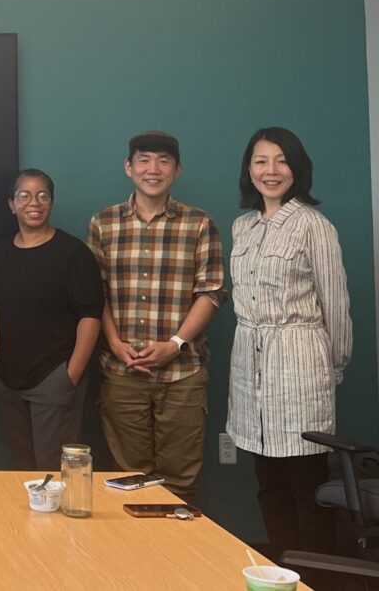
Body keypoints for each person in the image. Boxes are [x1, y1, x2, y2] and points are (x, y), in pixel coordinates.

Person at [226, 127, 350, 565]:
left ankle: (313, 573)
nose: (271, 170)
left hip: (299, 363)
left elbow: (335, 305)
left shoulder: (314, 225)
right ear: (249, 169)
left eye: (281, 160)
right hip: (250, 367)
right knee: (268, 480)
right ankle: (280, 567)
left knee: (306, 484)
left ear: (297, 168)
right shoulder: (243, 227)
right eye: (261, 161)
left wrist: (328, 368)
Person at [86, 131, 226, 503]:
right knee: (128, 478)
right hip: (122, 371)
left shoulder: (199, 224)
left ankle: (178, 559)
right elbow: (94, 295)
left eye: (163, 161)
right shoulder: (103, 223)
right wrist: (115, 345)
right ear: (129, 167)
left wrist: (174, 345)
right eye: (144, 160)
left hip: (184, 373)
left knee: (179, 480)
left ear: (177, 170)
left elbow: (211, 292)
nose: (153, 169)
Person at [0, 169, 103, 471]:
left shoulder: (74, 253)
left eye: (42, 196)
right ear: (12, 204)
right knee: (23, 470)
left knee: (53, 471)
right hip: (9, 380)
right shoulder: (2, 253)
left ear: (51, 203)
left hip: (54, 378)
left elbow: (90, 316)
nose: (33, 202)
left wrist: (70, 376)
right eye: (24, 195)